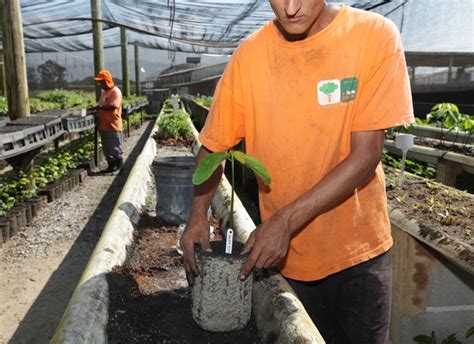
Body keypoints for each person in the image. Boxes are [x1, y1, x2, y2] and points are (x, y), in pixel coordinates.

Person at [181, 0, 414, 342]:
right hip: (286, 261)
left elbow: (366, 155)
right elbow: (214, 145)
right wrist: (198, 213)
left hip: (359, 253)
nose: (289, 8)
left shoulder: (372, 36)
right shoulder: (250, 56)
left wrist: (286, 221)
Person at [93, 70, 124, 174]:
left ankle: (119, 168)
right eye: (99, 82)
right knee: (107, 148)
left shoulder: (115, 91)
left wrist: (100, 107)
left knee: (115, 148)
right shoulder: (104, 93)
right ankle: (111, 167)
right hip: (104, 125)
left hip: (113, 124)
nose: (100, 84)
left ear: (107, 81)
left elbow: (113, 106)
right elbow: (102, 106)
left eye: (101, 82)